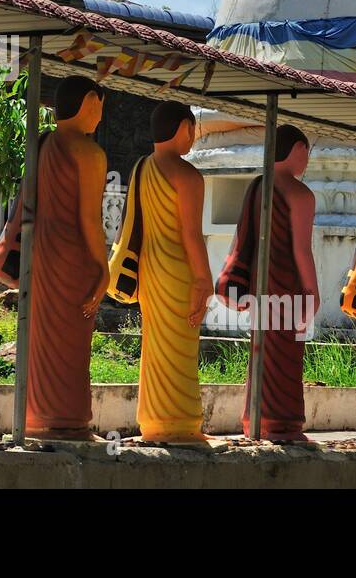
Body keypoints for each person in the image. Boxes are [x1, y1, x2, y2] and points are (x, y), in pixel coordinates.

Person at [217, 125, 319, 441]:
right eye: (307, 151)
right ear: (298, 149)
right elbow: (301, 248)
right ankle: (282, 424)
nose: (308, 159)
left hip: (262, 287)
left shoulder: (259, 187)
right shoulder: (299, 193)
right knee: (286, 358)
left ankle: (256, 420)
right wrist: (313, 293)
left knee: (261, 352)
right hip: (288, 286)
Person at [24, 75, 109, 440]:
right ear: (90, 102)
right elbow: (89, 219)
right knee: (72, 346)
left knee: (43, 340)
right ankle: (68, 420)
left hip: (43, 254)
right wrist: (104, 270)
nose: (101, 119)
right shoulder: (89, 152)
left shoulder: (43, 145)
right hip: (74, 258)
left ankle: (37, 416)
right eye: (100, 109)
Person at [134, 101, 213, 442]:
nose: (193, 136)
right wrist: (204, 279)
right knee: (180, 348)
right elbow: (191, 235)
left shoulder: (142, 167)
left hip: (150, 268)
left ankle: (152, 418)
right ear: (183, 127)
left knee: (154, 347)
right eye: (192, 129)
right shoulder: (186, 175)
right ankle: (179, 420)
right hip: (179, 270)